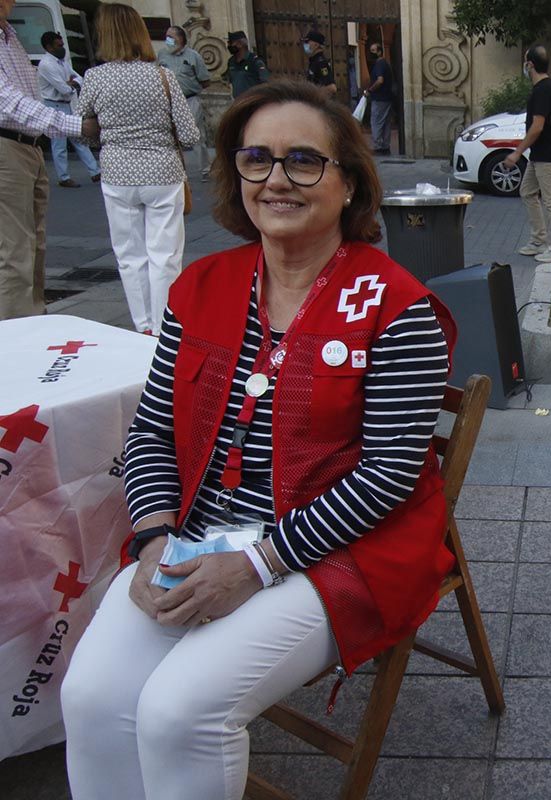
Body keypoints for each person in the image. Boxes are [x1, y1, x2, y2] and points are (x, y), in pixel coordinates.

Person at [59, 77, 457, 800]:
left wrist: (257, 564)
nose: (278, 179)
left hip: (335, 551)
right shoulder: (202, 285)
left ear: (349, 183)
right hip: (193, 537)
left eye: (305, 161)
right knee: (89, 700)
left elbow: (388, 477)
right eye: (257, 160)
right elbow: (152, 429)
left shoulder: (398, 308)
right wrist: (152, 542)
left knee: (179, 712)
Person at [77, 3, 199, 335]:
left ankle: (142, 325)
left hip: (117, 174)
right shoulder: (162, 76)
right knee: (166, 255)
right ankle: (164, 328)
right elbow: (189, 134)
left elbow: (84, 127)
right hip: (162, 173)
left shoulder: (94, 78)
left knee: (129, 255)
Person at [0, 0, 98, 321]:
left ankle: (34, 317)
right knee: (14, 248)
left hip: (28, 143)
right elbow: (9, 102)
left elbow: (29, 95)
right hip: (6, 146)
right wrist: (76, 125)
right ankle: (16, 334)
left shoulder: (9, 36)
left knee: (35, 242)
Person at [504, 44, 551, 263]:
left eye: (525, 61)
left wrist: (516, 153)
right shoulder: (546, 88)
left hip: (548, 155)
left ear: (530, 64)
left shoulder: (543, 90)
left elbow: (537, 126)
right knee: (527, 191)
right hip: (541, 154)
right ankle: (539, 240)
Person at [36, 31, 101, 188]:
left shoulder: (61, 61)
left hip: (66, 104)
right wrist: (71, 85)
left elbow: (80, 78)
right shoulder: (46, 64)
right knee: (59, 144)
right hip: (54, 104)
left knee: (78, 138)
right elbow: (64, 89)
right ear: (49, 47)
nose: (62, 48)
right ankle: (63, 177)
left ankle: (95, 171)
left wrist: (72, 84)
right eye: (59, 45)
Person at [158, 25, 211, 176]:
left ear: (180, 39)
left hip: (189, 100)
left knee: (195, 135)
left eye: (171, 37)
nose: (168, 40)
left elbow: (205, 80)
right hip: (168, 101)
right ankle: (174, 169)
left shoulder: (193, 56)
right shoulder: (162, 55)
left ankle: (205, 169)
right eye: (167, 36)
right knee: (168, 135)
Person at [364, 42, 393, 154]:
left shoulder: (380, 64)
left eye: (373, 51)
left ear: (380, 52)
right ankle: (385, 147)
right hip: (387, 98)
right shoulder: (385, 64)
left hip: (380, 98)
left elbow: (380, 80)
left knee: (376, 122)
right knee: (385, 123)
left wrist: (370, 90)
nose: (371, 53)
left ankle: (378, 146)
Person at [225, 30, 269, 99]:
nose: (229, 46)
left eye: (231, 43)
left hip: (252, 101)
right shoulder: (231, 62)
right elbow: (230, 81)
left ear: (240, 44)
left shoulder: (255, 61)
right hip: (238, 102)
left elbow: (265, 83)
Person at [302, 30, 335, 97]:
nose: (305, 45)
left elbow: (332, 88)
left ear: (316, 45)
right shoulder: (314, 61)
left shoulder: (321, 63)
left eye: (307, 42)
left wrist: (313, 95)